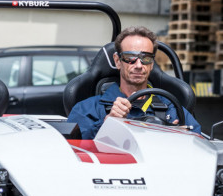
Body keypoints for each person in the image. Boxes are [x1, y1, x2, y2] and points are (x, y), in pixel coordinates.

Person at [68, 25, 201, 139]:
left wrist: (182, 140)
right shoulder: (87, 109)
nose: (138, 65)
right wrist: (106, 124)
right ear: (117, 61)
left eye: (146, 58)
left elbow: (199, 143)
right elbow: (74, 150)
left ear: (152, 63)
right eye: (130, 57)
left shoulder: (173, 109)